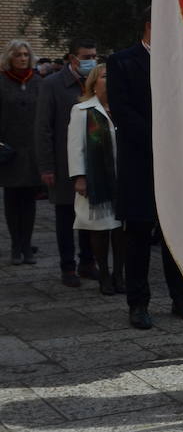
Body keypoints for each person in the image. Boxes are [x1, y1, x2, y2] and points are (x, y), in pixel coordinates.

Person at [106, 10, 183, 330]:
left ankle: (179, 299)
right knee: (137, 238)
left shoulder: (181, 62)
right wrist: (160, 142)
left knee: (176, 237)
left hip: (176, 167)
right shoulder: (121, 61)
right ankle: (138, 303)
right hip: (141, 164)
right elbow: (122, 111)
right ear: (150, 25)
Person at [35, 38, 99, 286]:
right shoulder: (52, 85)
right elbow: (43, 128)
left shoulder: (94, 83)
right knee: (65, 216)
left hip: (91, 161)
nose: (91, 60)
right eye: (86, 57)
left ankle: (87, 262)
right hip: (63, 164)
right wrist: (47, 166)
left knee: (88, 216)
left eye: (94, 55)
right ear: (72, 59)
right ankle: (67, 266)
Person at [67, 62, 125, 295]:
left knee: (121, 229)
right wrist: (79, 177)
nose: (109, 80)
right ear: (93, 82)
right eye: (104, 76)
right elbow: (75, 147)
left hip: (122, 179)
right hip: (95, 181)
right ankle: (103, 274)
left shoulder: (123, 107)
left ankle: (119, 274)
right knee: (100, 228)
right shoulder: (82, 110)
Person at [0, 40, 42, 265]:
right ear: (10, 57)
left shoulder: (37, 82)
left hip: (32, 151)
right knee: (12, 199)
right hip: (9, 152)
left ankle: (27, 244)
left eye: (26, 54)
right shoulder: (2, 82)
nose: (23, 58)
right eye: (18, 55)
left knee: (29, 200)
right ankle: (16, 245)